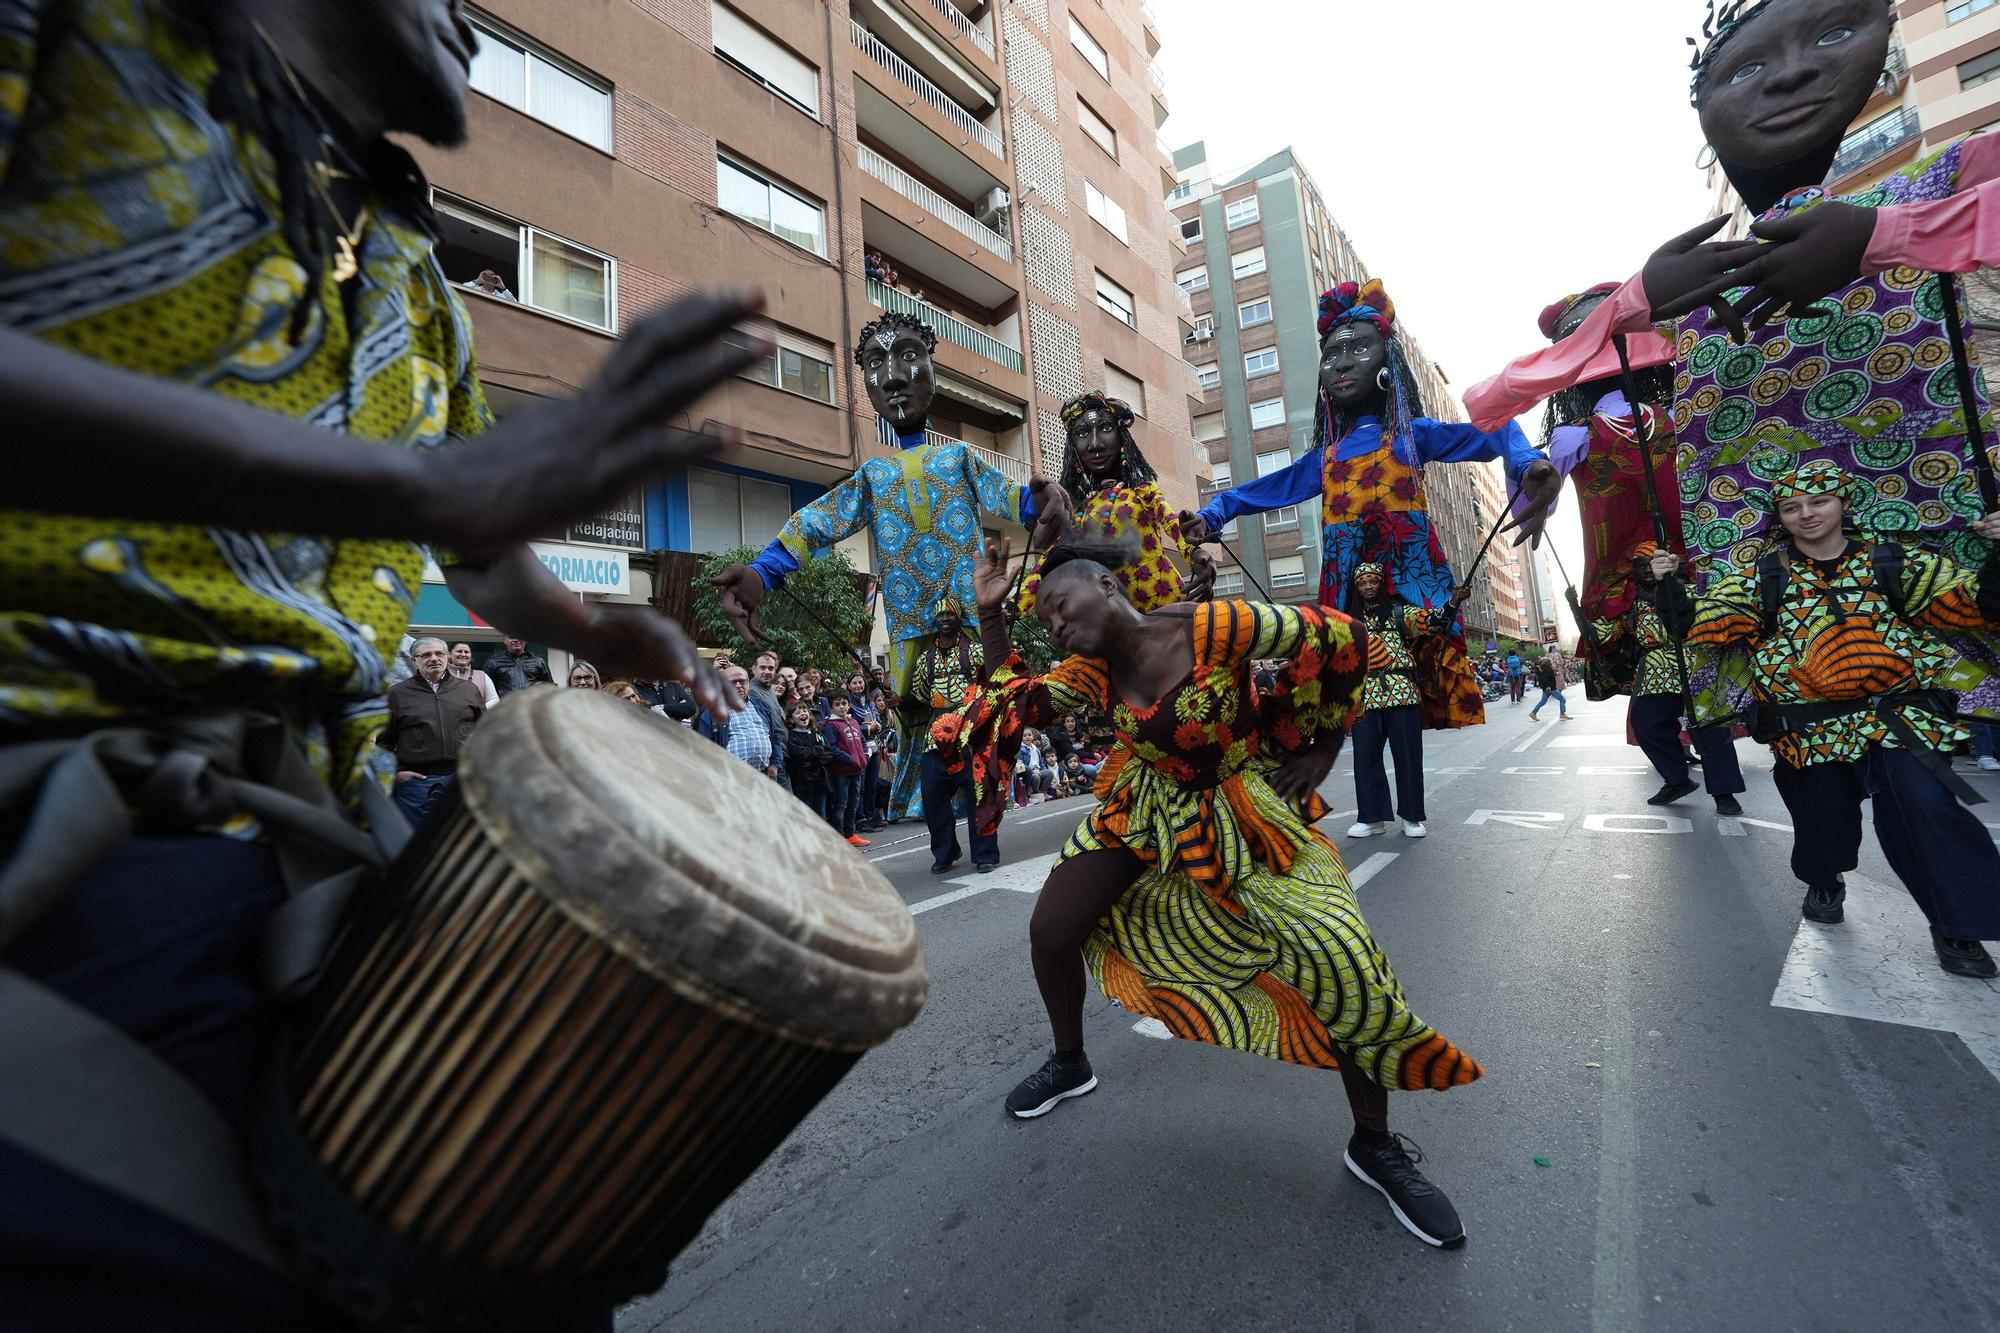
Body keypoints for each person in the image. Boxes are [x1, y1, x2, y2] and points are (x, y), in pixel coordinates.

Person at [0, 4, 755, 1323]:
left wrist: (586, 625)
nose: (470, 16)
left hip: (308, 824)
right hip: (57, 812)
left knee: (520, 1234)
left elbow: (473, 544)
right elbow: (436, 495)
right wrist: (426, 488)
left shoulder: (411, 259)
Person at [1466, 0, 1997, 726]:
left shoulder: (1930, 184)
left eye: (1835, 32)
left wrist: (1886, 232)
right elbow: (1524, 385)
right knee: (1812, 789)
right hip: (1746, 580)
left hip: (1916, 546)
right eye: (1746, 67)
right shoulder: (1694, 295)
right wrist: (1636, 299)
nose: (1793, 74)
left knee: (1923, 794)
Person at [941, 537, 1481, 1248]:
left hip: (1241, 803)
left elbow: (1339, 634)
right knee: (1051, 928)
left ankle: (1374, 1144)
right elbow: (1023, 703)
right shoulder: (1091, 670)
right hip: (1144, 805)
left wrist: (1324, 744)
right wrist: (990, 616)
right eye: (1044, 620)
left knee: (1341, 956)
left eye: (1060, 607)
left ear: (1105, 586)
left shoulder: (1211, 626)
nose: (1056, 626)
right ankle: (1070, 1061)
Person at [712, 313, 1068, 820]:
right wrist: (763, 572)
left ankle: (989, 796)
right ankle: (935, 808)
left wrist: (1039, 501)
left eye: (907, 356)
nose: (894, 377)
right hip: (907, 623)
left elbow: (1011, 500)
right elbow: (820, 520)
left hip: (972, 613)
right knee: (915, 720)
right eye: (876, 363)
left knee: (986, 708)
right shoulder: (873, 476)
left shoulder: (959, 459)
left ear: (932, 370)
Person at [1664, 461, 2000, 976]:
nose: (1806, 514)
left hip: (1898, 720)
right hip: (1806, 729)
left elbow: (1969, 605)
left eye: (1818, 501)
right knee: (1822, 821)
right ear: (1779, 516)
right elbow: (1706, 623)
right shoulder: (1764, 575)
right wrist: (1669, 591)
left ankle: (1958, 925)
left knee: (1927, 809)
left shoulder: (1895, 561)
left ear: (1843, 502)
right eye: (1791, 507)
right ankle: (1825, 878)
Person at [1181, 280, 1560, 734]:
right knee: (1353, 688)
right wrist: (1214, 513)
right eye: (1332, 354)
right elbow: (1265, 489)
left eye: (1360, 349)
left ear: (1389, 365)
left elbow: (1496, 431)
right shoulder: (1325, 458)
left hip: (1411, 576)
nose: (1342, 362)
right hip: (1347, 587)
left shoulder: (1410, 435)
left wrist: (1529, 462)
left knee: (1414, 675)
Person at [1577, 546, 1747, 813]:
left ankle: (1725, 793)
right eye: (1641, 564)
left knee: (1711, 728)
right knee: (1646, 726)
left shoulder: (1691, 588)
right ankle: (1677, 779)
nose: (1647, 568)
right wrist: (1585, 620)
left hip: (1699, 662)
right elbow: (1606, 631)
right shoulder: (1629, 601)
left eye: (1652, 562)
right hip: (1657, 667)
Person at [1017, 391, 1214, 615]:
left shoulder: (1143, 491)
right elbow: (1047, 562)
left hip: (1166, 612)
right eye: (1082, 433)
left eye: (1105, 428)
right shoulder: (1077, 512)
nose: (1094, 444)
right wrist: (1015, 607)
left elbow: (1173, 524)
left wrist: (1196, 552)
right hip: (1113, 625)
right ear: (1074, 450)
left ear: (1122, 439)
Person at [1345, 562, 1465, 839]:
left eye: (1372, 581)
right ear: (1357, 588)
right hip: (1364, 698)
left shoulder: (1400, 612)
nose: (1368, 587)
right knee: (1364, 760)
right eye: (1362, 583)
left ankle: (1412, 818)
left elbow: (1433, 621)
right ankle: (1372, 818)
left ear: (1380, 583)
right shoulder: (1347, 620)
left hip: (1403, 694)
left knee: (1409, 758)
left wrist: (1454, 601)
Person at [909, 597, 997, 873]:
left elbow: (995, 678)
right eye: (940, 616)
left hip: (970, 735)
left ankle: (984, 855)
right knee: (933, 797)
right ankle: (945, 852)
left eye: (950, 615)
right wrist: (900, 702)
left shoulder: (976, 651)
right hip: (935, 737)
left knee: (978, 796)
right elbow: (919, 693)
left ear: (959, 618)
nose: (945, 619)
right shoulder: (926, 659)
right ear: (934, 621)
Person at [380, 637, 486, 826]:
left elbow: (485, 733)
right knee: (414, 843)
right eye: (426, 654)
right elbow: (384, 742)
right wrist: (396, 773)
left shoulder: (469, 690)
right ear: (414, 660)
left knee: (458, 836)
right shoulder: (397, 694)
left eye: (439, 653)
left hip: (461, 780)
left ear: (447, 657)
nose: (434, 658)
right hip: (416, 783)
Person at [698, 664, 777, 779]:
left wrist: (775, 764)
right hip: (731, 778)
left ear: (748, 683)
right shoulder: (711, 712)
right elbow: (704, 747)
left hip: (764, 776)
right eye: (733, 682)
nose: (738, 686)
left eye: (742, 681)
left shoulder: (762, 706)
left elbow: (775, 737)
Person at [823, 693, 871, 847]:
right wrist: (850, 759)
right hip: (842, 771)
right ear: (832, 707)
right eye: (838, 704)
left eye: (844, 703)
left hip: (857, 770)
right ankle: (840, 836)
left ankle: (851, 834)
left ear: (849, 704)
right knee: (841, 803)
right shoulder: (831, 724)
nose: (842, 707)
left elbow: (862, 741)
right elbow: (832, 747)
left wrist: (865, 754)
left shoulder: (854, 722)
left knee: (853, 802)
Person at [749, 651, 790, 790]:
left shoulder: (769, 691)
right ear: (753, 669)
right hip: (771, 758)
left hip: (781, 754)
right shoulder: (752, 692)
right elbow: (764, 730)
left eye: (771, 668)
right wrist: (774, 761)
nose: (767, 671)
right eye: (763, 667)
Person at [787, 704, 834, 822]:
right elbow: (799, 755)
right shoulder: (792, 736)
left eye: (805, 711)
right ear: (792, 719)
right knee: (808, 814)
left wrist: (813, 759)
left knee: (821, 814)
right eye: (798, 713)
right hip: (804, 782)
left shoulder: (817, 733)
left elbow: (828, 752)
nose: (803, 714)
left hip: (821, 779)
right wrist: (817, 750)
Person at [486, 635, 556, 696]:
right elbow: (486, 692)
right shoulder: (493, 662)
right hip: (506, 709)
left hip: (532, 708)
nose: (516, 640)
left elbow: (550, 688)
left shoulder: (539, 661)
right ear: (505, 640)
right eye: (511, 637)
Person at [447, 642, 501, 709]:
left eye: (466, 652)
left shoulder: (482, 676)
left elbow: (494, 699)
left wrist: (480, 711)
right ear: (449, 654)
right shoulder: (441, 675)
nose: (463, 654)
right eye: (459, 651)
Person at [632, 676, 699, 722]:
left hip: (676, 734)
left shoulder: (673, 685)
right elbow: (646, 714)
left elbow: (691, 707)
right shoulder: (635, 689)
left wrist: (663, 707)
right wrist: (677, 708)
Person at [1527, 654, 1570, 723]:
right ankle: (1562, 713)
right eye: (1550, 662)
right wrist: (1548, 686)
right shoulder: (1549, 670)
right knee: (1562, 700)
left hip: (1546, 688)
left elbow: (1546, 677)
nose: (1551, 663)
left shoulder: (1542, 670)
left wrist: (1555, 674)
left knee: (1543, 702)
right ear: (1548, 663)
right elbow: (1546, 679)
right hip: (1551, 688)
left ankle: (1533, 713)